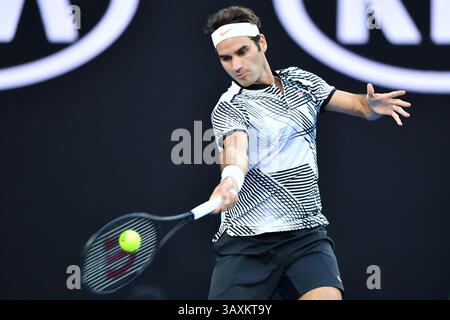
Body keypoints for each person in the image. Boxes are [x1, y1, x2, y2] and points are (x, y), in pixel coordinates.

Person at [205, 6, 411, 300]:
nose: (236, 64)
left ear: (261, 43)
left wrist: (372, 107)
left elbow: (360, 106)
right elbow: (236, 151)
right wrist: (230, 180)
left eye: (242, 51)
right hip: (246, 243)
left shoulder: (301, 81)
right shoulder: (230, 106)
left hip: (305, 234)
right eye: (226, 58)